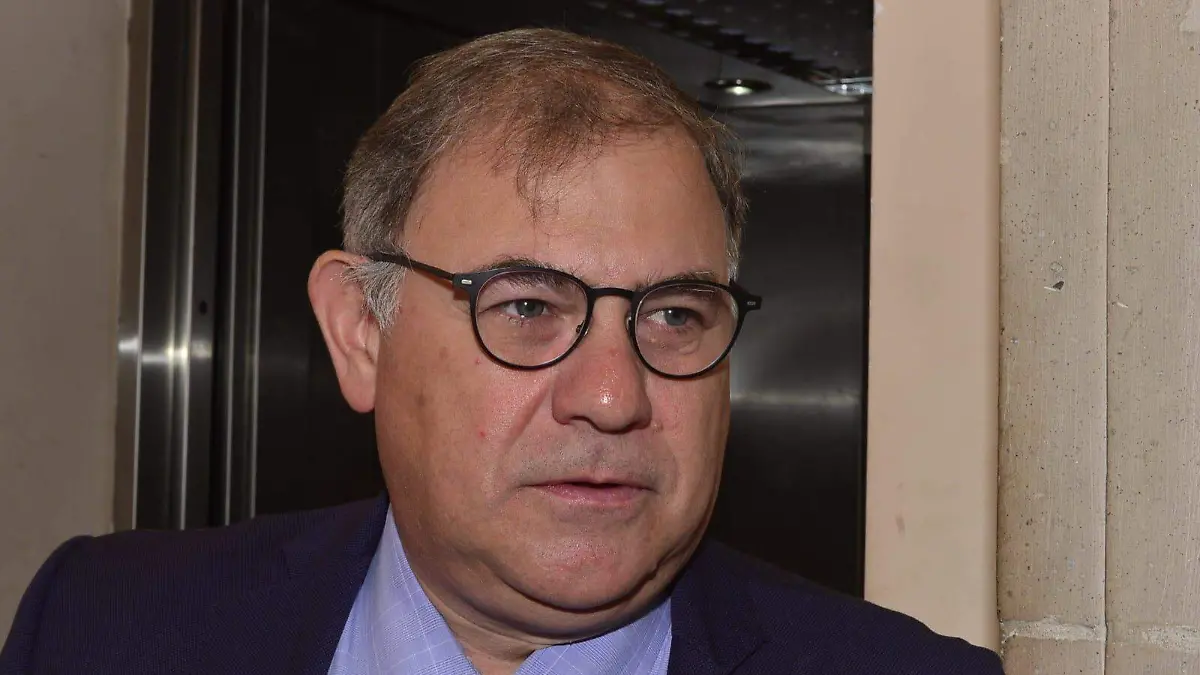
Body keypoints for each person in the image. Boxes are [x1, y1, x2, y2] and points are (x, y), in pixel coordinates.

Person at [0, 28, 1003, 675]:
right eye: (526, 306)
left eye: (673, 316)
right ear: (361, 333)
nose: (612, 398)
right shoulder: (102, 628)